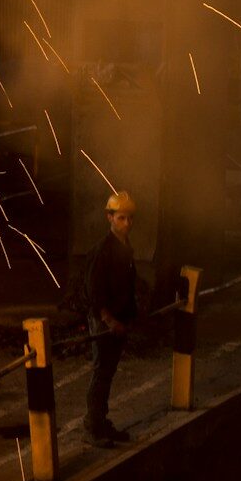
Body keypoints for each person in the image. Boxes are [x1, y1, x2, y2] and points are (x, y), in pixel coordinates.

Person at [84, 190, 138, 448]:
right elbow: (95, 293)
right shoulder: (102, 251)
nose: (126, 224)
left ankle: (101, 421)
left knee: (108, 373)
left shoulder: (125, 248)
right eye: (121, 218)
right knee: (101, 373)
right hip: (105, 323)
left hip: (119, 321)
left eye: (129, 219)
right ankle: (93, 427)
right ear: (109, 217)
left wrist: (131, 316)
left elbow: (128, 285)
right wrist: (109, 320)